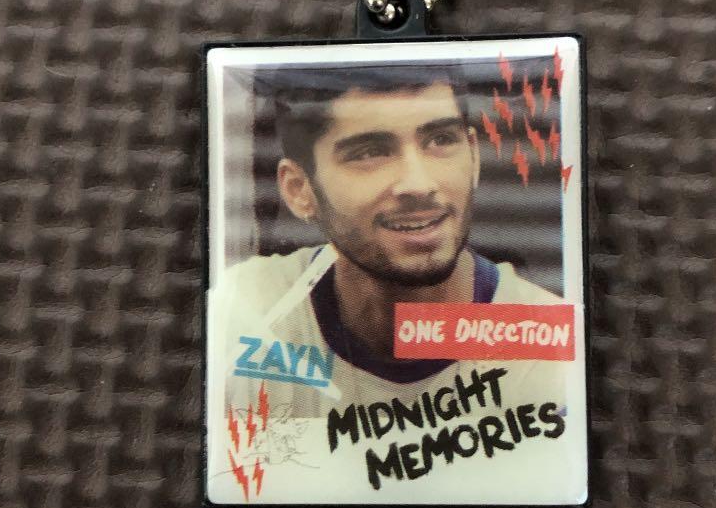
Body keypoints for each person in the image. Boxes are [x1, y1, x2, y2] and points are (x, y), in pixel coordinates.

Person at [211, 58, 573, 438]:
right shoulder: (247, 312)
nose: (418, 184)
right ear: (299, 190)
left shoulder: (548, 350)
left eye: (440, 140)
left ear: (474, 156)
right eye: (369, 152)